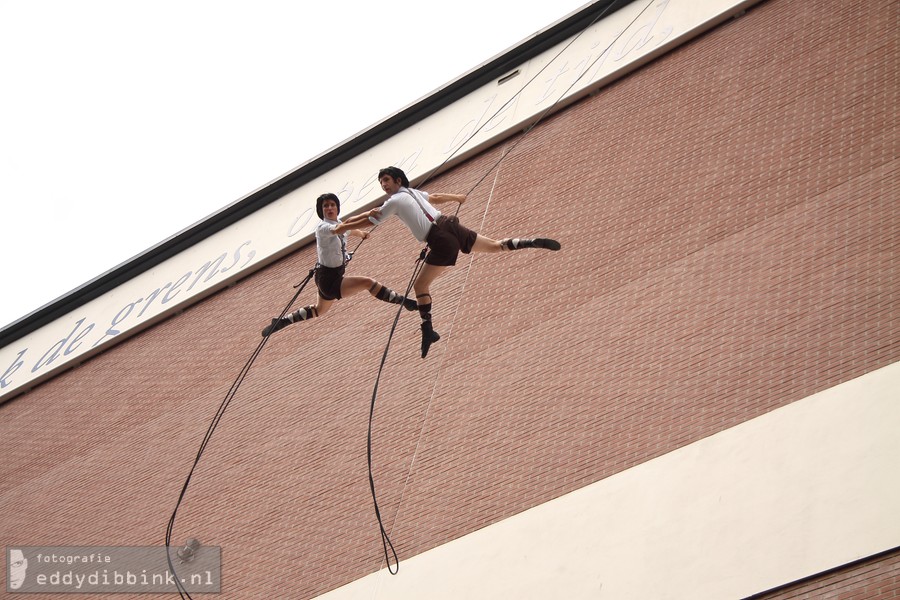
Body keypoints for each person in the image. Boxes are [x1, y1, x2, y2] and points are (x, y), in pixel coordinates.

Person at [334, 166, 561, 358]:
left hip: (439, 238)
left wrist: (343, 227)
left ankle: (428, 329)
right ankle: (531, 241)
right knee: (494, 245)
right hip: (450, 224)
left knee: (420, 286)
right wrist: (456, 197)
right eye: (381, 182)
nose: (383, 185)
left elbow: (370, 219)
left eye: (386, 180)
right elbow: (435, 198)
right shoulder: (411, 192)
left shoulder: (394, 201)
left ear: (397, 180)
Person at [261, 193, 417, 337]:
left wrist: (361, 234)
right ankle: (404, 302)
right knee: (368, 283)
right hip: (328, 279)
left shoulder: (339, 225)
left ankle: (282, 321)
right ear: (321, 211)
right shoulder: (323, 228)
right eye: (325, 206)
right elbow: (341, 229)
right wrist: (366, 215)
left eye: (332, 205)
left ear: (337, 208)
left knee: (319, 310)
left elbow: (347, 230)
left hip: (328, 275)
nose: (329, 208)